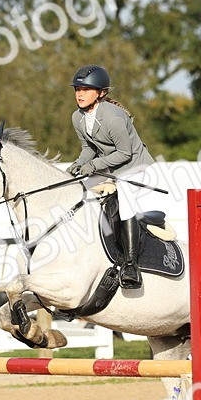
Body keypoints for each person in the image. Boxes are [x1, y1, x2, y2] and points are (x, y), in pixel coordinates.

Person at [65, 65, 158, 290]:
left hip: (138, 168)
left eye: (86, 90)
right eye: (78, 89)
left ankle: (130, 264)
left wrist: (94, 165)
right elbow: (88, 148)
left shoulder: (114, 117)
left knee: (125, 197)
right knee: (77, 190)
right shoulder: (77, 117)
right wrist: (78, 164)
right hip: (114, 169)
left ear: (101, 93)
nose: (79, 94)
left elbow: (125, 153)